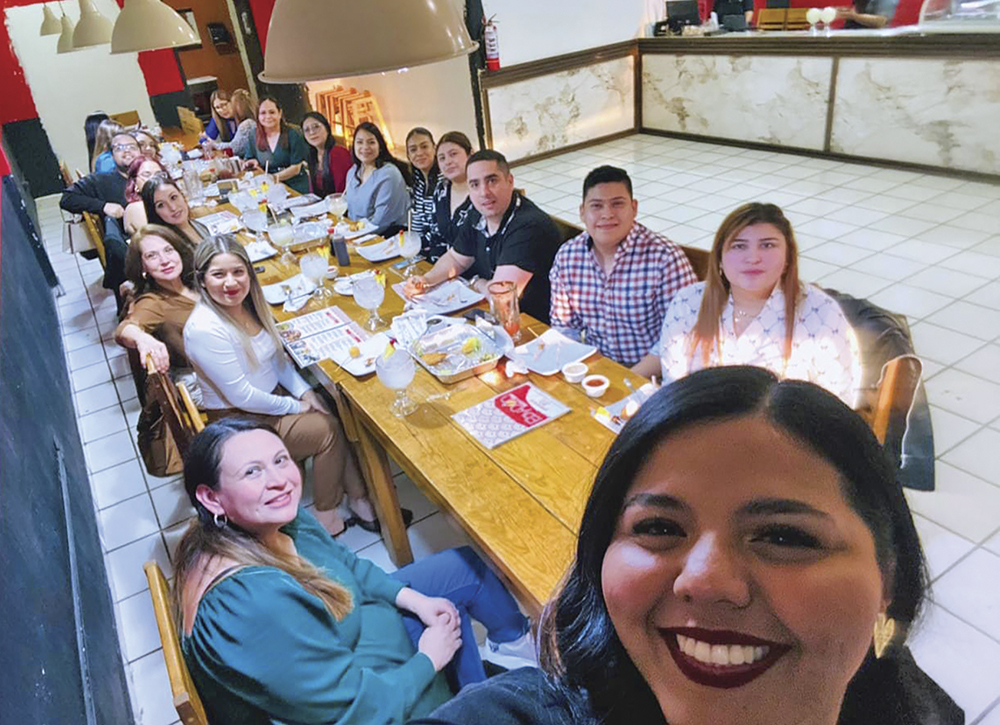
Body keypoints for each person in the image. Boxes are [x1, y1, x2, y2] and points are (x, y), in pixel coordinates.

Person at [415, 366, 963, 725]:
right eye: (658, 527)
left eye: (784, 535)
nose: (703, 579)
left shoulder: (926, 714)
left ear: (889, 576)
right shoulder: (522, 713)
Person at [174, 418, 538, 725]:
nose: (279, 480)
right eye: (252, 471)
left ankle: (509, 655)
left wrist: (414, 600)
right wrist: (429, 659)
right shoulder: (250, 604)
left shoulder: (269, 520)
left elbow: (345, 562)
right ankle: (476, 699)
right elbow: (356, 712)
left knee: (462, 570)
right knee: (453, 634)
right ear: (211, 497)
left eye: (281, 460)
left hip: (354, 636)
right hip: (367, 698)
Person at [182, 236, 376, 536]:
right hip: (240, 420)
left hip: (267, 400)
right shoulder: (204, 328)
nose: (230, 282)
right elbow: (242, 396)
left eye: (238, 272)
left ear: (249, 273)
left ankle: (359, 497)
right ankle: (326, 514)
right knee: (327, 430)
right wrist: (296, 406)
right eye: (218, 274)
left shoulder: (249, 306)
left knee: (329, 405)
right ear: (203, 280)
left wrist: (305, 392)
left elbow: (275, 360)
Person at [632, 202, 860, 406]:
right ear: (719, 258)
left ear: (788, 257)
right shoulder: (688, 301)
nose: (753, 258)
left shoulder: (822, 314)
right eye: (739, 246)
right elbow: (674, 391)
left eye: (767, 245)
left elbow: (836, 409)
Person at [549, 165, 698, 367]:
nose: (607, 214)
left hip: (656, 373)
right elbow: (565, 329)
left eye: (617, 204)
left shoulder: (665, 259)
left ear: (634, 208)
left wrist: (628, 379)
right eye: (596, 206)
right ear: (582, 212)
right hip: (599, 369)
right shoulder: (568, 257)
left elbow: (682, 338)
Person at [404, 150, 561, 324]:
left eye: (492, 180)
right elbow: (456, 259)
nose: (484, 192)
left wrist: (475, 282)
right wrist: (426, 280)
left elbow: (501, 297)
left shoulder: (529, 226)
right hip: (494, 316)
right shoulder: (477, 213)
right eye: (474, 184)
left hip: (531, 325)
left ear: (510, 181)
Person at [114, 225, 200, 475]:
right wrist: (142, 338)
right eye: (152, 256)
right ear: (142, 267)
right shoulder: (154, 302)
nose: (164, 260)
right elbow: (125, 330)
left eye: (168, 250)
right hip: (199, 380)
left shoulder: (192, 282)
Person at [344, 121, 411, 237]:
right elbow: (348, 208)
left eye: (371, 142)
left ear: (380, 146)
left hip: (384, 237)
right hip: (356, 234)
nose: (365, 147)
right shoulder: (353, 171)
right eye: (359, 142)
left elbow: (380, 222)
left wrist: (352, 234)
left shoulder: (389, 174)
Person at [420, 131, 475, 264]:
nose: (448, 162)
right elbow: (434, 236)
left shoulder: (481, 192)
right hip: (442, 266)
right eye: (442, 158)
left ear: (470, 154)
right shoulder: (441, 190)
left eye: (453, 154)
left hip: (474, 269)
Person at [61, 131, 140, 223]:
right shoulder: (100, 181)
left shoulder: (150, 176)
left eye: (132, 147)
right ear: (112, 156)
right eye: (119, 148)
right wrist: (103, 206)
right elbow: (67, 198)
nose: (127, 151)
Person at [242, 96, 309, 194]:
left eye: (272, 112)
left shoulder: (293, 134)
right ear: (258, 116)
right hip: (268, 187)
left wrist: (273, 178)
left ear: (280, 113)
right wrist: (252, 161)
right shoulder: (253, 135)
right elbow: (250, 157)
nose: (268, 116)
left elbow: (296, 168)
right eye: (263, 113)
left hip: (295, 186)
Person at [141, 174, 206, 247]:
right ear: (154, 212)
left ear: (182, 195)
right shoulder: (167, 245)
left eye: (173, 197)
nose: (173, 208)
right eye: (161, 205)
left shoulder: (199, 225)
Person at [302, 111, 352, 196]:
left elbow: (344, 191)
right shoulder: (312, 155)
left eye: (316, 127)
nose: (312, 132)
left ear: (327, 129)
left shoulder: (339, 153)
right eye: (307, 130)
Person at [202, 89, 257, 159]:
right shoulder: (218, 120)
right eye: (217, 107)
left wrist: (215, 145)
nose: (222, 110)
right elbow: (204, 138)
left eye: (224, 104)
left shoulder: (247, 123)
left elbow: (235, 147)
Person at [406, 127, 439, 237]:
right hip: (421, 243)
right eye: (413, 150)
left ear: (434, 149)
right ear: (408, 155)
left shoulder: (444, 181)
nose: (419, 153)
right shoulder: (417, 182)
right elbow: (417, 224)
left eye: (424, 147)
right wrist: (413, 242)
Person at [123, 157, 167, 235]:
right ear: (134, 183)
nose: (154, 179)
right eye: (147, 175)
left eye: (159, 175)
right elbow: (156, 237)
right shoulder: (136, 207)